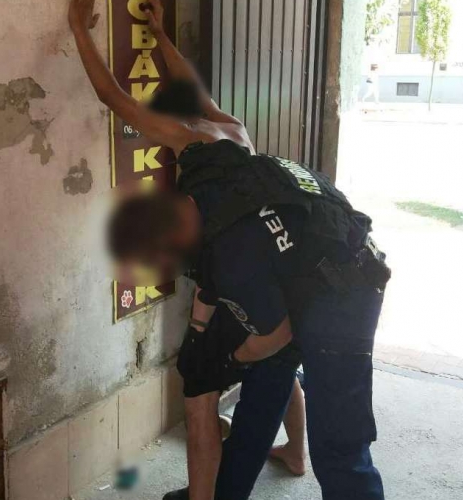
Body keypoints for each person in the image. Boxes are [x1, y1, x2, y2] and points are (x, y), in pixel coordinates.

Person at [69, 0, 390, 499]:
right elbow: (192, 86)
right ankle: (252, 476)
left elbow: (112, 95)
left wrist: (78, 27)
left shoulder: (188, 144)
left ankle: (302, 462)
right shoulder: (232, 129)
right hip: (307, 268)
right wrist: (158, 32)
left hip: (339, 289)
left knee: (338, 444)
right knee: (270, 379)